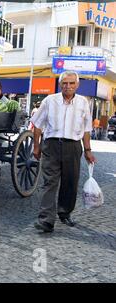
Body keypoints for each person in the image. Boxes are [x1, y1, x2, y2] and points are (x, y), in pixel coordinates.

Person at [31, 71, 96, 233]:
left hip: (73, 147)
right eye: (65, 83)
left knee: (70, 182)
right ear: (60, 85)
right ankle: (46, 220)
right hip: (51, 145)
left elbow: (86, 129)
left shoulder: (83, 103)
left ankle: (64, 212)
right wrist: (36, 146)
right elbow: (37, 125)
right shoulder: (49, 100)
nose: (68, 86)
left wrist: (88, 150)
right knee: (49, 183)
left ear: (77, 85)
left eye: (71, 83)